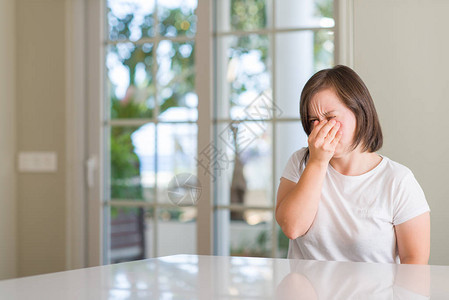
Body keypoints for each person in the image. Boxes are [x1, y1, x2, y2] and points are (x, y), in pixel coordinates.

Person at [275, 65, 430, 264]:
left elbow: (415, 263)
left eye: (330, 118)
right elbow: (292, 228)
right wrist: (317, 162)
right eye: (313, 120)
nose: (321, 128)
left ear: (359, 112)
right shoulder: (300, 162)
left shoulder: (398, 181)